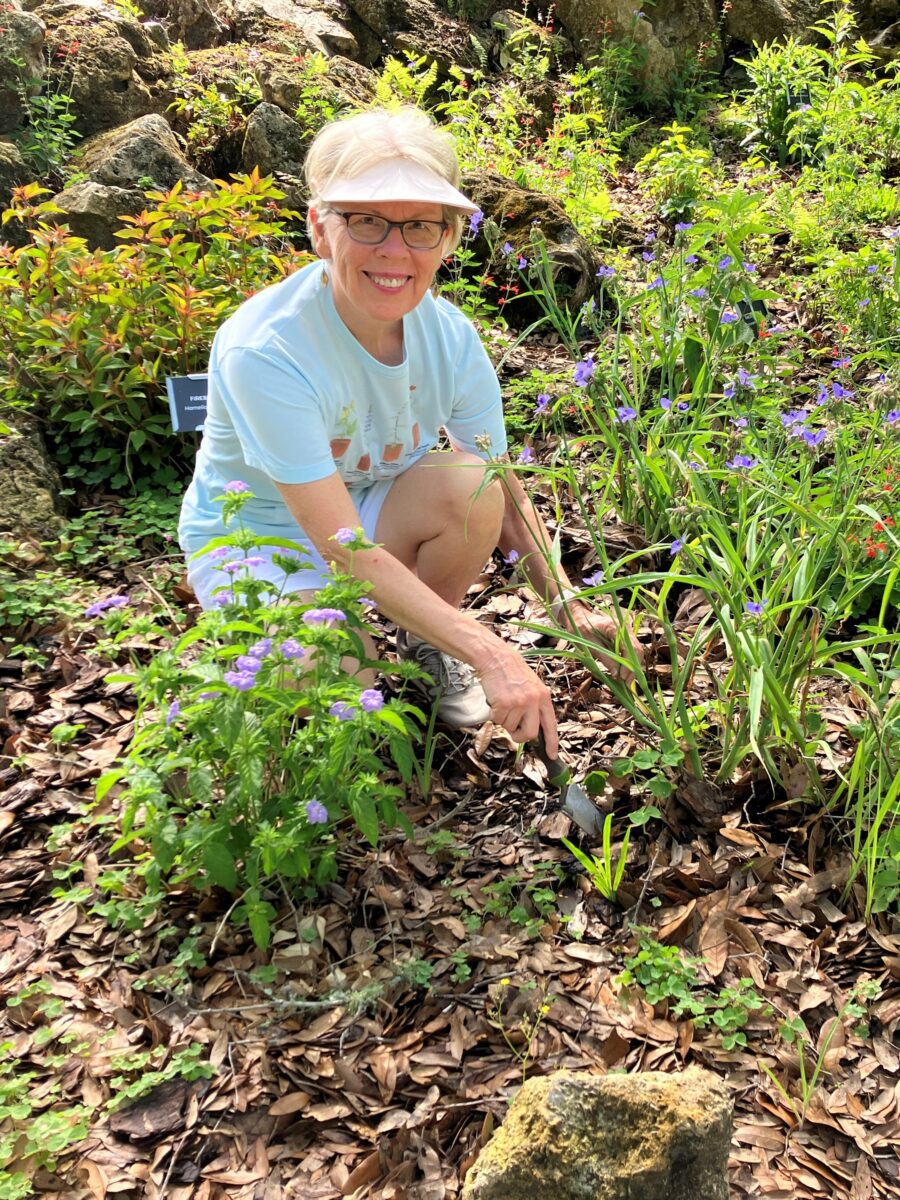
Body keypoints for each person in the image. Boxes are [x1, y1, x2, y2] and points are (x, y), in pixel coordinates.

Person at [179, 106, 637, 759]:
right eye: (366, 220)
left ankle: (427, 639)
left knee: (471, 485)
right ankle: (265, 647)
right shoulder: (268, 349)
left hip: (368, 507)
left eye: (421, 225)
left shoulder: (450, 339)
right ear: (319, 229)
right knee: (347, 678)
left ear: (449, 240)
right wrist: (488, 649)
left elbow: (500, 487)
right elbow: (340, 544)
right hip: (259, 537)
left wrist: (564, 602)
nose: (395, 251)